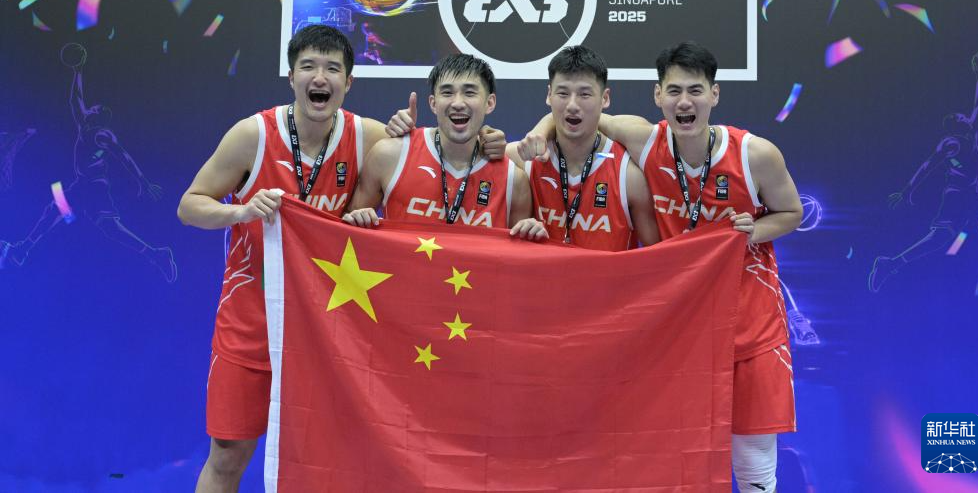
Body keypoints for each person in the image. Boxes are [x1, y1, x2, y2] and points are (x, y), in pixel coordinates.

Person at [177, 26, 505, 492]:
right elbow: (189, 205)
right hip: (251, 327)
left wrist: (489, 138)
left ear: (348, 83)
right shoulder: (252, 135)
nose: (321, 77)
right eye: (309, 66)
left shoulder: (367, 137)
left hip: (328, 335)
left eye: (333, 68)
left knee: (324, 461)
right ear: (292, 76)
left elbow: (448, 140)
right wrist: (241, 210)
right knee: (228, 457)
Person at [520, 41, 802, 493]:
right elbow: (573, 111)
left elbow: (791, 214)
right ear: (657, 96)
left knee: (753, 466)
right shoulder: (643, 139)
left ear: (715, 94)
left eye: (695, 90)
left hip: (749, 327)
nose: (684, 102)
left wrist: (750, 233)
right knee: (677, 457)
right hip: (679, 331)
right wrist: (537, 131)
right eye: (674, 91)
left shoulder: (755, 155)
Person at [1, 45, 176, 281]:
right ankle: (23, 249)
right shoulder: (87, 128)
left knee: (107, 226)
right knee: (58, 207)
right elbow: (76, 101)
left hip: (94, 188)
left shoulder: (101, 134)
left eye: (94, 108)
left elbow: (124, 157)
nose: (90, 108)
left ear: (99, 115)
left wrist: (143, 183)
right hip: (81, 186)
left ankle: (157, 254)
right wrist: (78, 71)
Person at [343, 54, 546, 240]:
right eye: (447, 92)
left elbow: (519, 259)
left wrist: (531, 234)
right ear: (433, 103)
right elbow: (347, 232)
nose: (458, 103)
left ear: (490, 103)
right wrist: (357, 218)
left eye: (469, 92)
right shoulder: (390, 155)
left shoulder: (514, 180)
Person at [508, 45, 659, 250]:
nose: (572, 105)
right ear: (548, 94)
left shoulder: (629, 175)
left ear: (604, 98)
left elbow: (658, 256)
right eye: (562, 93)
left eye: (584, 94)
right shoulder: (523, 158)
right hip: (545, 282)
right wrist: (523, 232)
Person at [869, 53, 978, 292]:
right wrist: (907, 191)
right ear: (955, 125)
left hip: (971, 194)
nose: (966, 116)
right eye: (961, 117)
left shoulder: (970, 134)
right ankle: (889, 264)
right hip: (957, 197)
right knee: (941, 238)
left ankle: (890, 264)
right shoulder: (951, 143)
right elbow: (928, 166)